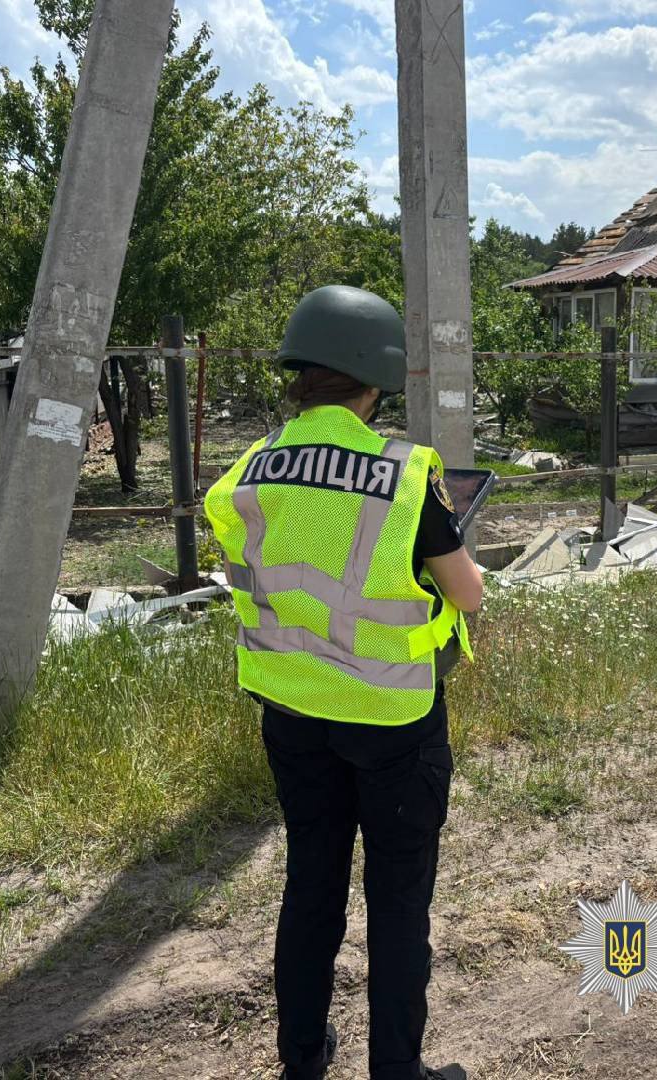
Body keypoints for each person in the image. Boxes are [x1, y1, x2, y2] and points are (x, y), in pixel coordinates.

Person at [204, 285, 482, 1080]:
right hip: (393, 719)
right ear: (376, 381)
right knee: (397, 906)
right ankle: (397, 1071)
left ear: (301, 372)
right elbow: (467, 594)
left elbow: (269, 572)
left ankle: (301, 1061)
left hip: (291, 712)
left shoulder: (248, 472)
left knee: (311, 888)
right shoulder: (407, 474)